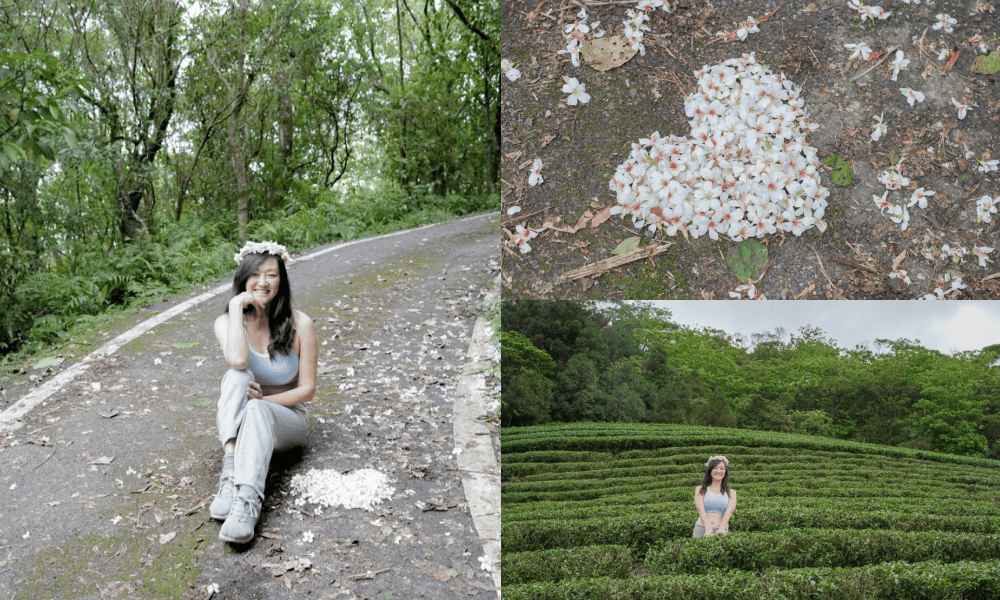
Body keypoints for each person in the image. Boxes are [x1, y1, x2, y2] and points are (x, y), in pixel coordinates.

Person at [210, 241, 318, 543]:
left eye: (271, 275)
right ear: (243, 279)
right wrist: (235, 307)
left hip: (287, 421)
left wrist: (264, 401)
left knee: (257, 408)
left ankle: (247, 503)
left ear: (281, 281)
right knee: (235, 377)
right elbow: (238, 360)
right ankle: (231, 473)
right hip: (246, 420)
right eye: (255, 274)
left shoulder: (301, 324)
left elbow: (307, 390)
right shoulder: (226, 322)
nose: (263, 282)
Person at [693, 455, 736, 538]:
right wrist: (708, 529)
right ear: (710, 470)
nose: (718, 471)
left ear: (725, 471)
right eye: (715, 468)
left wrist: (721, 529)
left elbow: (729, 512)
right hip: (701, 528)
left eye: (722, 468)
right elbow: (700, 509)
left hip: (721, 530)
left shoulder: (731, 492)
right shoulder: (700, 489)